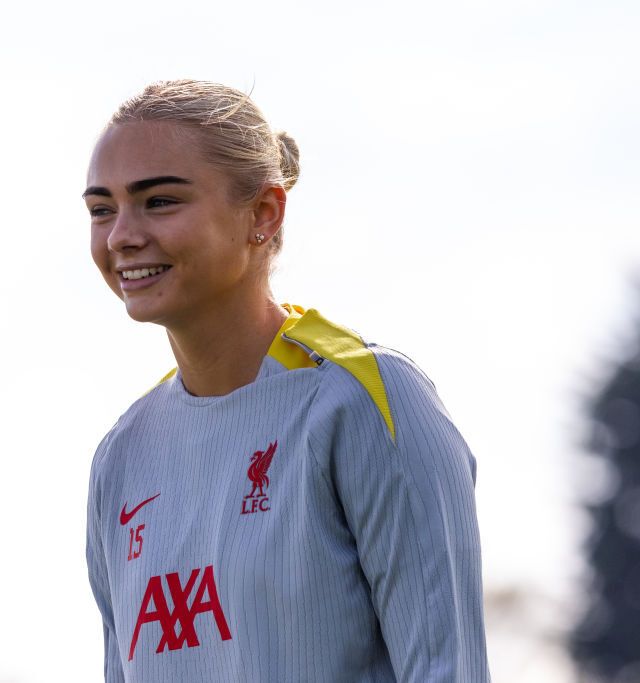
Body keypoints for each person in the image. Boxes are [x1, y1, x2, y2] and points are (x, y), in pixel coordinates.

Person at [83, 80, 489, 683]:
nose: (122, 235)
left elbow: (445, 668)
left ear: (264, 213)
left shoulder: (365, 400)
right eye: (102, 209)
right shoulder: (123, 454)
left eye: (160, 201)